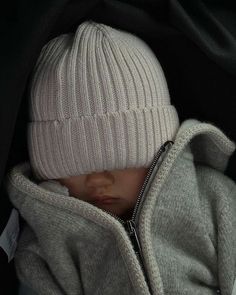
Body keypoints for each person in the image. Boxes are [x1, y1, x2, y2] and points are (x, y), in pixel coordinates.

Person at [6, 20, 236, 295]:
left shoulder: (212, 199)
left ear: (159, 151)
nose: (99, 179)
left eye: (122, 160)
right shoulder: (47, 246)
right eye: (76, 166)